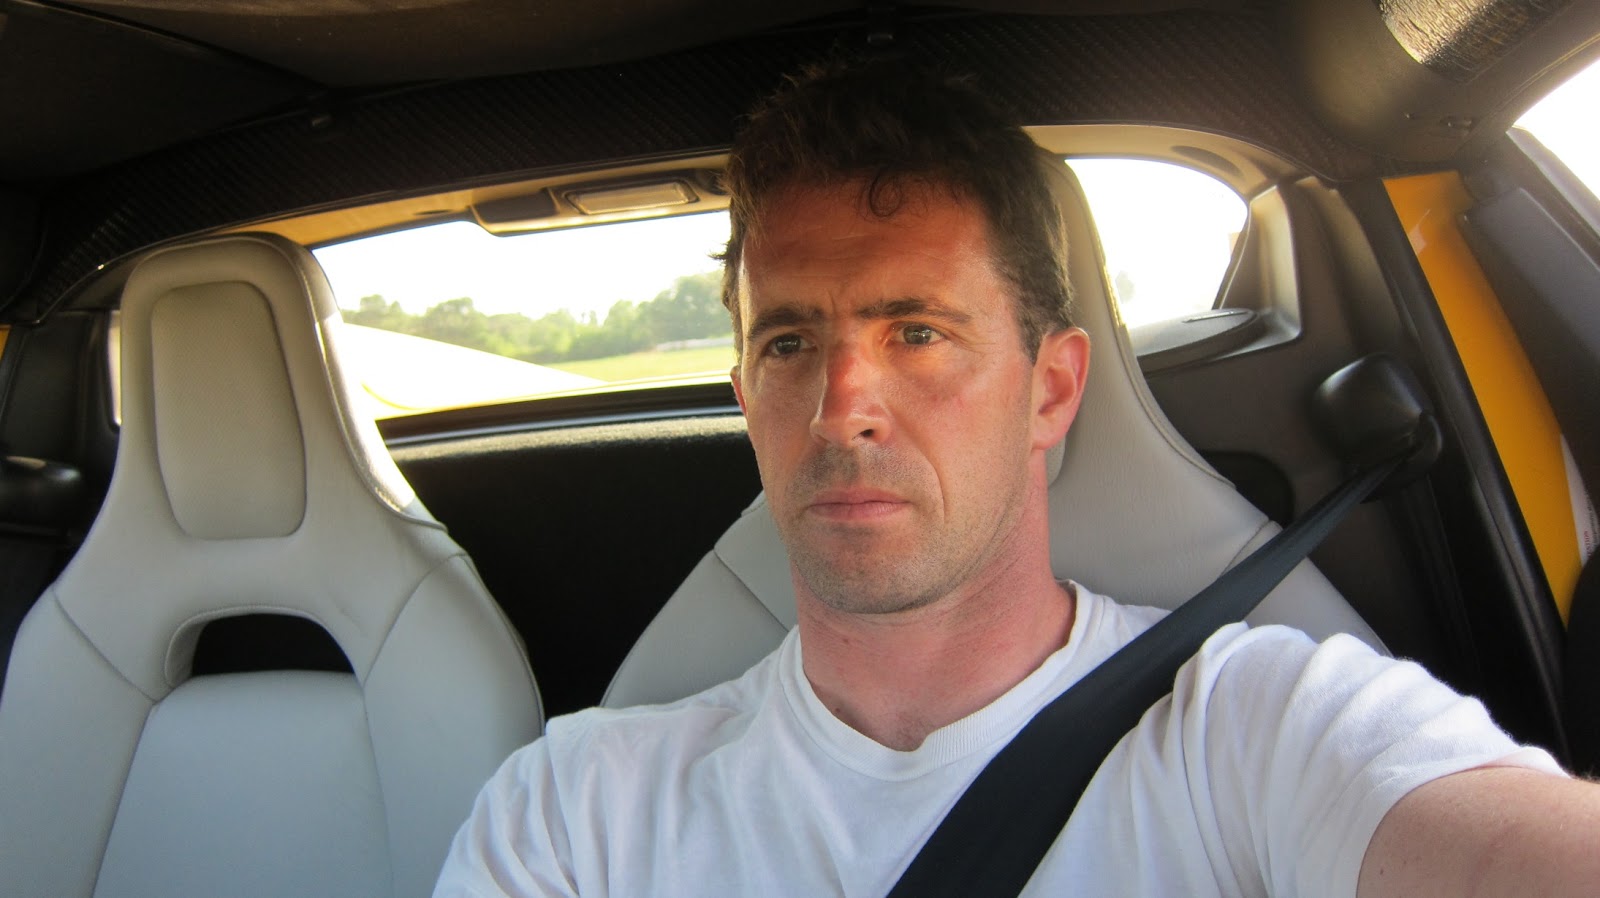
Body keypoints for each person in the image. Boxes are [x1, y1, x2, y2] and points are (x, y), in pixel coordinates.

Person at [435, 60, 1600, 897]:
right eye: (788, 343)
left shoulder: (1256, 726)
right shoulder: (574, 808)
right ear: (746, 397)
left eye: (918, 333)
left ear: (1050, 389)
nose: (841, 407)